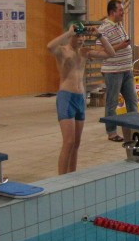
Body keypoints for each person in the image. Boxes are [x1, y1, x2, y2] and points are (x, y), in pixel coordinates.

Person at [47, 22, 115, 174]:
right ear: (71, 36)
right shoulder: (63, 51)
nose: (81, 39)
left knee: (76, 143)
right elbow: (49, 46)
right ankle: (61, 179)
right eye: (77, 36)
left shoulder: (85, 52)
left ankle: (72, 175)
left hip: (80, 98)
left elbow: (111, 53)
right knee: (68, 142)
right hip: (66, 97)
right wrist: (69, 33)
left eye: (82, 36)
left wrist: (99, 35)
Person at [98, 0, 138, 142]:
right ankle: (111, 132)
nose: (123, 13)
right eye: (120, 10)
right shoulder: (104, 28)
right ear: (112, 12)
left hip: (126, 70)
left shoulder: (119, 25)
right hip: (113, 71)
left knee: (132, 100)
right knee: (112, 102)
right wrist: (120, 46)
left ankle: (134, 128)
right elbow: (101, 51)